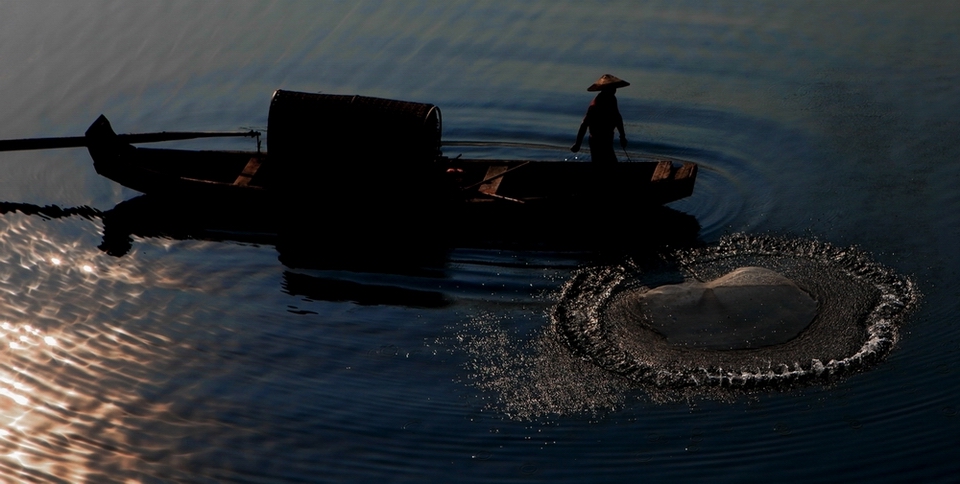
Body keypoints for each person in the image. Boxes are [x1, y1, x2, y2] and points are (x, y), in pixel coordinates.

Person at [570, 74, 629, 164]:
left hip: (608, 137)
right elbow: (584, 124)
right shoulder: (595, 105)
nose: (614, 90)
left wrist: (622, 136)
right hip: (597, 140)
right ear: (605, 89)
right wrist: (578, 144)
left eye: (614, 88)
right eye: (612, 88)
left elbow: (617, 118)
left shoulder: (612, 99)